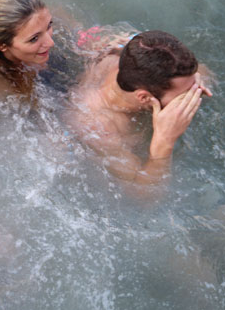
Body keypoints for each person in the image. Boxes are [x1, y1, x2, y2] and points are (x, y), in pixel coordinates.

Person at [66, 30, 213, 193]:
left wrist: (199, 83)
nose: (191, 94)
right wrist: (164, 142)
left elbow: (204, 72)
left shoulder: (127, 60)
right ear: (144, 97)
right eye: (184, 93)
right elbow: (141, 197)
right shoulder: (99, 127)